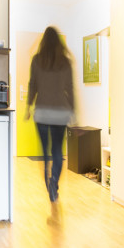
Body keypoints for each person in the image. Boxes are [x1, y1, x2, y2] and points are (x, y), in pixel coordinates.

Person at [24, 26, 75, 203]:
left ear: (43, 41)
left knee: (45, 151)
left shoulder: (37, 60)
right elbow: (70, 89)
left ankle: (47, 175)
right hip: (61, 113)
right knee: (57, 152)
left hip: (43, 113)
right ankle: (54, 183)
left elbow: (33, 85)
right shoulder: (66, 62)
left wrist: (27, 107)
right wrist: (74, 111)